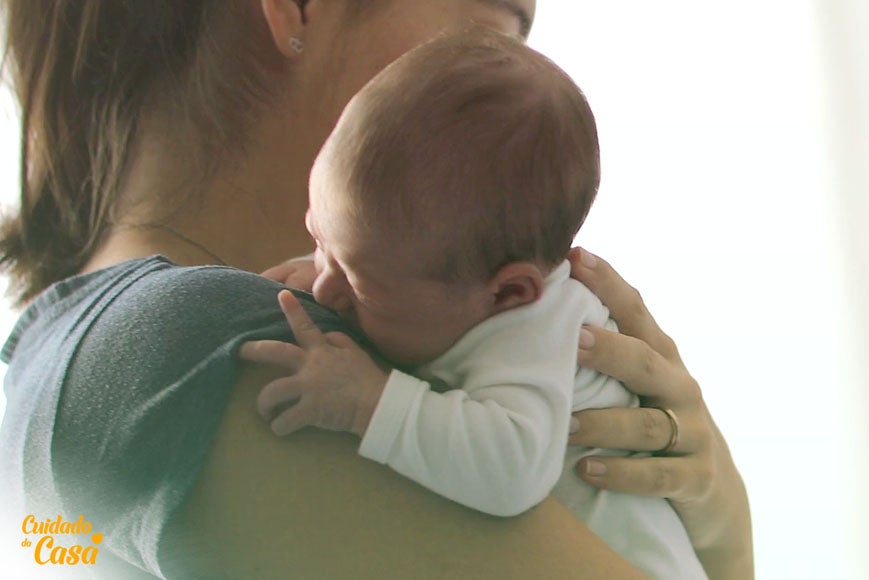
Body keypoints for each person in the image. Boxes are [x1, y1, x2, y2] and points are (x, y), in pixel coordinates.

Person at [0, 1, 752, 579]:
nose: (507, 80)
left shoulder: (83, 346)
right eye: (497, 32)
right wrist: (725, 530)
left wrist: (704, 496)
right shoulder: (192, 347)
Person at [241, 28, 708, 580]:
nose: (324, 290)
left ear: (508, 293)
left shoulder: (541, 330)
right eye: (322, 241)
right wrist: (341, 267)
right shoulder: (449, 283)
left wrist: (367, 401)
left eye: (363, 286)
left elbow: (513, 468)